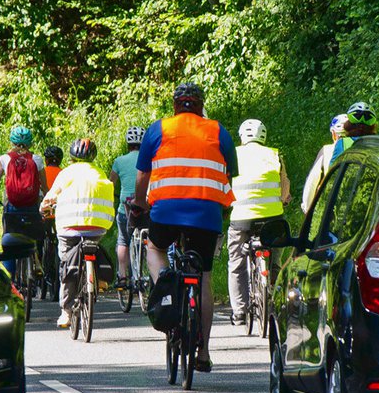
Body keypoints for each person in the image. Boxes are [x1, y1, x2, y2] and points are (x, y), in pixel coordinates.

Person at [131, 82, 237, 373]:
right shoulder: (218, 131)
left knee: (154, 247)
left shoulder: (159, 129)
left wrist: (140, 203)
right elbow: (230, 174)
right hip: (206, 214)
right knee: (202, 276)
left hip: (165, 211)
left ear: (175, 105)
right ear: (201, 106)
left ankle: (165, 280)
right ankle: (203, 352)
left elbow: (142, 175)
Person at [40, 138, 114, 328]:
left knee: (66, 263)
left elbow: (50, 198)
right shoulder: (100, 173)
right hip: (98, 227)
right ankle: (98, 277)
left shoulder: (67, 173)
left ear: (71, 157)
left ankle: (65, 311)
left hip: (69, 228)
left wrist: (44, 208)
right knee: (93, 246)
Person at [226, 119, 291, 326]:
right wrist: (284, 200)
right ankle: (275, 302)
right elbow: (285, 188)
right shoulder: (274, 154)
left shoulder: (233, 154)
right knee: (275, 260)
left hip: (241, 220)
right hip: (273, 218)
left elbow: (225, 184)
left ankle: (239, 311)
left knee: (236, 262)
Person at [0, 126, 49, 275]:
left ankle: (9, 276)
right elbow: (44, 187)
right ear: (30, 143)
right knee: (33, 235)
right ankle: (35, 260)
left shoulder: (5, 159)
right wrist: (48, 202)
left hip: (12, 207)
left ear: (12, 142)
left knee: (8, 241)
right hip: (32, 206)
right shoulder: (37, 160)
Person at [110, 126, 145, 288]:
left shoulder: (119, 161)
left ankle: (122, 277)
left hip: (126, 207)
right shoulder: (148, 160)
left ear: (128, 143)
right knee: (149, 239)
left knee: (123, 240)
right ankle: (145, 274)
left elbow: (111, 184)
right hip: (145, 205)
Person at [301, 114, 347, 213]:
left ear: (334, 134)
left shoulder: (327, 150)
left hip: (330, 205)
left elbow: (312, 182)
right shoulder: (360, 148)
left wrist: (307, 207)